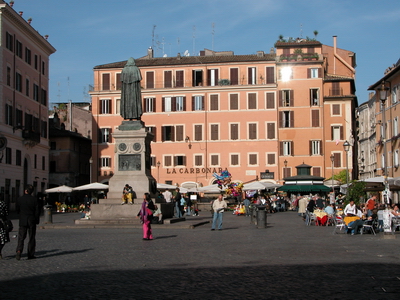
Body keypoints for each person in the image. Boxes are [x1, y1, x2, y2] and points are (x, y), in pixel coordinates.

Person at [16, 184, 40, 260]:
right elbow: (37, 211)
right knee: (31, 237)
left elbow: (17, 210)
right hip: (31, 220)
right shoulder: (34, 200)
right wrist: (36, 220)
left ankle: (19, 251)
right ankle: (30, 254)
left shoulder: (20, 199)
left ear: (25, 191)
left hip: (23, 220)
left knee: (21, 237)